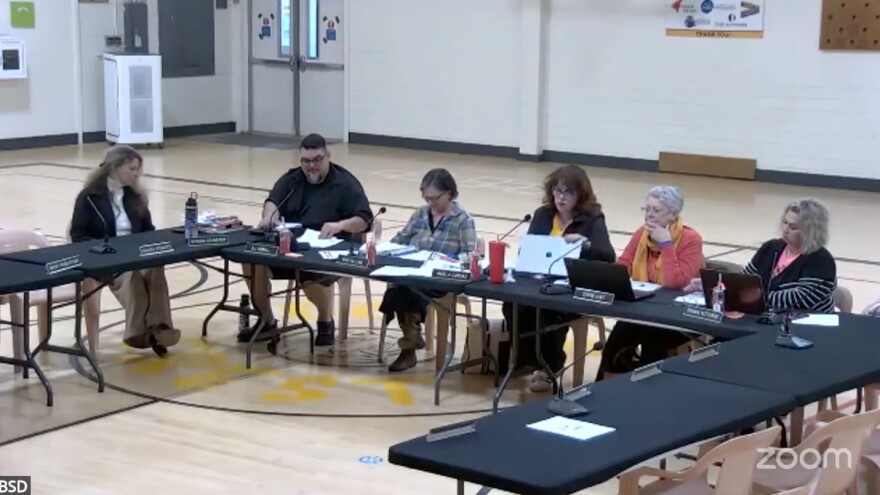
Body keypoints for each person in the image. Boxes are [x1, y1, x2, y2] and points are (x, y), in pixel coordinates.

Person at [240, 133, 373, 346]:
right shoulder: (292, 179)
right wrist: (269, 217)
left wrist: (340, 225)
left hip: (331, 250)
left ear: (328, 156)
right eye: (306, 161)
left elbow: (365, 219)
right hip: (292, 244)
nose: (311, 166)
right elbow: (273, 201)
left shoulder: (345, 183)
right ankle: (267, 321)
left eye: (317, 160)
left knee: (309, 271)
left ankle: (324, 320)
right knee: (251, 260)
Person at [502, 165, 616, 393]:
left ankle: (549, 366)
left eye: (568, 192)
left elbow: (608, 256)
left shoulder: (592, 218)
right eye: (557, 191)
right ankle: (529, 361)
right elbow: (530, 249)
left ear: (580, 195)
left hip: (573, 286)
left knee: (549, 312)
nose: (561, 198)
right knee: (512, 304)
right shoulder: (543, 215)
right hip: (540, 281)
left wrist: (586, 244)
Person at [69, 145, 180, 357]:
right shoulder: (89, 198)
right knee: (132, 276)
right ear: (115, 167)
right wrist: (101, 249)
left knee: (156, 268)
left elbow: (148, 229)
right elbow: (78, 235)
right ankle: (139, 332)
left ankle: (159, 328)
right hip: (107, 261)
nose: (136, 174)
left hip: (137, 255)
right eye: (132, 168)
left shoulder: (136, 196)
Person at [596, 185, 704, 381]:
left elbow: (677, 283)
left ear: (673, 214)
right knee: (619, 337)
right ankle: (607, 389)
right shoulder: (641, 234)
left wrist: (666, 245)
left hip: (677, 316)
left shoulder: (691, 239)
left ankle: (648, 391)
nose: (649, 215)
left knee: (652, 338)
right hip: (644, 309)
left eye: (656, 210)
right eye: (646, 209)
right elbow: (623, 267)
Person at [379, 168, 477, 372]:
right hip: (414, 273)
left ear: (449, 193)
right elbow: (400, 240)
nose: (430, 202)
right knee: (400, 288)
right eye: (426, 198)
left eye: (435, 198)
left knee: (402, 291)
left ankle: (409, 348)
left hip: (440, 279)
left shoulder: (463, 220)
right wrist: (387, 249)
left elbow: (471, 255)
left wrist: (448, 262)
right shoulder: (420, 214)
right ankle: (412, 339)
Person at [685, 198, 837, 314]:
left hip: (803, 327)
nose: (785, 230)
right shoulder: (771, 247)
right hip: (764, 317)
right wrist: (713, 285)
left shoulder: (821, 261)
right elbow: (745, 279)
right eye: (784, 223)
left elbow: (800, 299)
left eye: (793, 227)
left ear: (811, 231)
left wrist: (755, 296)